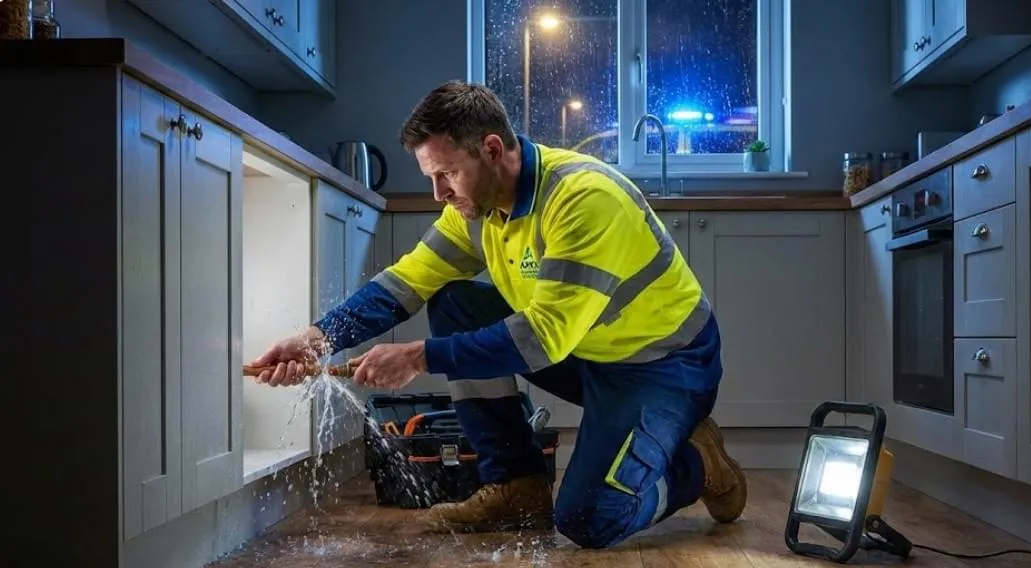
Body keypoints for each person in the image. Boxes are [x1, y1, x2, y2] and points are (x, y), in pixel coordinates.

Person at [249, 79, 747, 549]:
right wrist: (316, 338)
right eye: (432, 177)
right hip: (586, 352)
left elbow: (542, 339)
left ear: (491, 149)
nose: (438, 193)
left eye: (447, 174)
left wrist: (419, 357)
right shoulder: (478, 207)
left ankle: (700, 465)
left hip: (662, 368)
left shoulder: (582, 200)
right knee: (453, 298)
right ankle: (515, 485)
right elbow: (405, 283)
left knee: (589, 520)